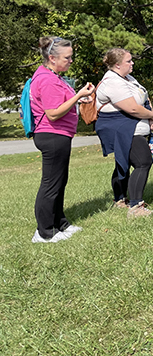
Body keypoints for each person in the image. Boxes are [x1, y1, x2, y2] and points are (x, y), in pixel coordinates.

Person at [30, 36, 95, 243]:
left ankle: (60, 223)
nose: (71, 61)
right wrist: (78, 96)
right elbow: (53, 113)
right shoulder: (47, 80)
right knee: (50, 184)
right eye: (67, 57)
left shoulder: (52, 76)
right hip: (52, 135)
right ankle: (44, 232)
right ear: (52, 57)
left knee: (59, 181)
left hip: (58, 135)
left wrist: (78, 97)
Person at [95, 49, 153, 218]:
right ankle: (136, 206)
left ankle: (120, 199)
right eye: (129, 61)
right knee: (143, 162)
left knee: (122, 163)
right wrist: (152, 115)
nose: (132, 63)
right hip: (124, 130)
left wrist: (150, 116)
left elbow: (143, 97)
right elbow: (131, 108)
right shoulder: (112, 82)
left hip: (132, 129)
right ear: (117, 64)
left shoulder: (128, 78)